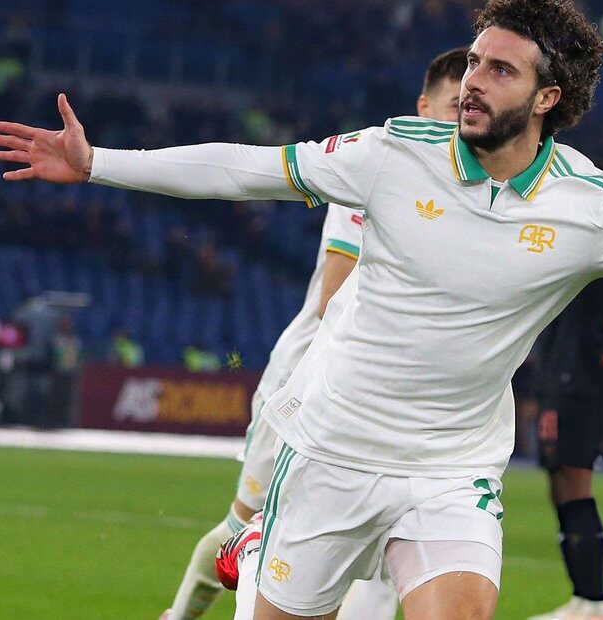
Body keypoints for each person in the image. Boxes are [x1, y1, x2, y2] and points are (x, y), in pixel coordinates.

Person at [0, 1, 603, 616]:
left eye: (498, 69)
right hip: (330, 450)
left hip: (451, 467)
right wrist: (99, 162)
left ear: (548, 98)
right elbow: (246, 169)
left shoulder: (594, 206)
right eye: (473, 61)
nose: (472, 82)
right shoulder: (392, 153)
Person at [158, 47, 471, 620]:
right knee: (243, 529)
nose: (462, 120)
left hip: (390, 406)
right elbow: (334, 300)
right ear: (423, 107)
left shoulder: (470, 199)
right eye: (454, 105)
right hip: (307, 386)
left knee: (385, 557)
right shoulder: (379, 175)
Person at [528, 278, 603, 620]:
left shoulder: (585, 273)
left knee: (575, 486)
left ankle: (594, 603)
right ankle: (584, 599)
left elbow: (573, 330)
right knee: (562, 488)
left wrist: (554, 396)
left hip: (575, 383)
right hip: (572, 379)